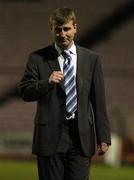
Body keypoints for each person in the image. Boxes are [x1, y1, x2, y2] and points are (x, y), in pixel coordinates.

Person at [20, 7, 111, 180]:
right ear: (52, 30)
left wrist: (103, 136)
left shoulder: (91, 59)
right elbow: (25, 91)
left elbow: (98, 100)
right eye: (58, 30)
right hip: (49, 138)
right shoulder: (37, 58)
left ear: (75, 27)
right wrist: (46, 82)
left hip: (81, 137)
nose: (62, 34)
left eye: (66, 29)